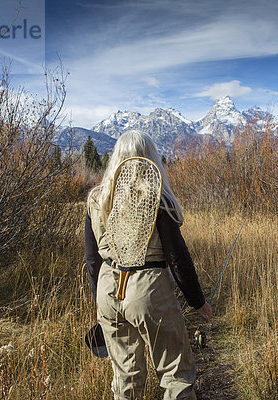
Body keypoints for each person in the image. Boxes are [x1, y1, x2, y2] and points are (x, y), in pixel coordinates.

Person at [84, 129, 212, 400]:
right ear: (151, 158)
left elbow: (92, 259)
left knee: (125, 378)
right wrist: (198, 302)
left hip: (107, 290)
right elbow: (178, 259)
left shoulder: (96, 198)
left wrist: (98, 301)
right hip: (148, 288)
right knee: (175, 373)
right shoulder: (159, 200)